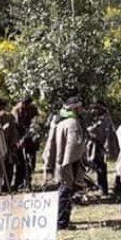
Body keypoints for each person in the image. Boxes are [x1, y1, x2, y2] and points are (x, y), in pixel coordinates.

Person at [43, 97, 87, 230]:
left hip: (61, 161)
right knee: (65, 191)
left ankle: (62, 221)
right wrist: (74, 162)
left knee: (64, 190)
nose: (82, 109)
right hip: (69, 162)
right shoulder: (73, 123)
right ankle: (62, 222)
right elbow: (74, 145)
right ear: (74, 108)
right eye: (80, 107)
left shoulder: (60, 120)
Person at [86, 103, 115, 196]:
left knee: (101, 168)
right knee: (99, 168)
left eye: (94, 109)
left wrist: (86, 130)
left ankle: (103, 189)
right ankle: (101, 188)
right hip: (98, 146)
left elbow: (94, 131)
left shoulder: (103, 120)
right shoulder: (101, 118)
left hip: (100, 147)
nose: (92, 111)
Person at [0, 98, 20, 193]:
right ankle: (5, 185)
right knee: (9, 166)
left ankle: (1, 186)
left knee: (1, 167)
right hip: (10, 144)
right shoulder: (10, 115)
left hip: (2, 144)